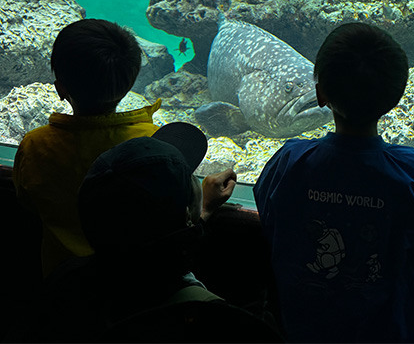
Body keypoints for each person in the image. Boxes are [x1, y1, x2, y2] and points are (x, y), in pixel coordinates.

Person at [254, 22, 414, 343]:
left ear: (320, 94)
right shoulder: (411, 172)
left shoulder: (290, 160)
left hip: (303, 326)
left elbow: (269, 217)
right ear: (397, 95)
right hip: (391, 331)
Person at [15, 122, 243, 342]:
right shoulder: (212, 319)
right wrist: (197, 216)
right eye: (190, 179)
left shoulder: (66, 283)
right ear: (185, 214)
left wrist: (198, 213)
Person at [12, 18, 161, 277]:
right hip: (134, 284)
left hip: (62, 285)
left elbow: (27, 201)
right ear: (128, 87)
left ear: (60, 89)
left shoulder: (36, 144)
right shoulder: (152, 143)